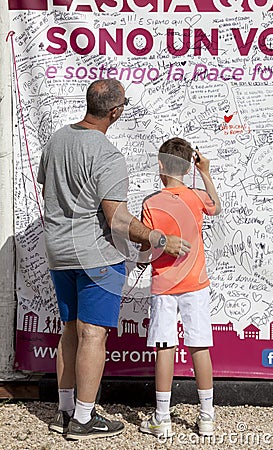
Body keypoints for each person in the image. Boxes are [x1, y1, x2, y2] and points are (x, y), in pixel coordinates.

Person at [37, 80, 191, 441]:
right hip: (95, 256)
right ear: (116, 111)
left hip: (58, 251)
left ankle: (64, 411)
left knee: (71, 330)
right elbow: (118, 220)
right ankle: (85, 420)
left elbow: (49, 189)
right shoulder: (107, 155)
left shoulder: (57, 140)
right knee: (93, 334)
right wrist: (159, 239)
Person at [138, 137, 221, 438]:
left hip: (164, 284)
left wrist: (139, 259)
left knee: (164, 346)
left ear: (160, 164)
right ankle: (207, 417)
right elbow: (217, 207)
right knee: (199, 345)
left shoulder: (150, 202)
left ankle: (162, 418)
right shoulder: (197, 197)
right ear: (189, 167)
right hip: (196, 282)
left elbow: (147, 248)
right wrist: (207, 172)